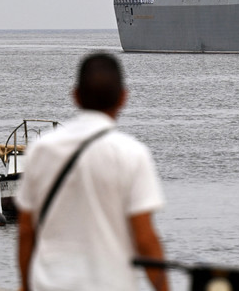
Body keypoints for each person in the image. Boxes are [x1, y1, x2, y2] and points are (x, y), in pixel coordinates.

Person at [16, 53, 168, 291]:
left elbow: (26, 229)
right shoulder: (132, 154)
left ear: (75, 95)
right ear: (123, 97)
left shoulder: (40, 149)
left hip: (50, 284)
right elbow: (144, 238)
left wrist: (25, 285)